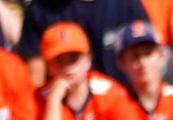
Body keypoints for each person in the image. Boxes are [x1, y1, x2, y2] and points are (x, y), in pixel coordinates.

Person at [16, 0, 151, 86]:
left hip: (123, 105)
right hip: (66, 110)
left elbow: (150, 59)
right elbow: (36, 80)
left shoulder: (126, 4)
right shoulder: (41, 9)